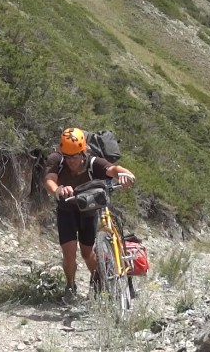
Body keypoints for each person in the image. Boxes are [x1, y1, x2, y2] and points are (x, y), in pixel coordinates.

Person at [44, 127, 135, 303]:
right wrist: (58, 190)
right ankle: (70, 285)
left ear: (83, 151)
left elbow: (113, 169)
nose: (71, 161)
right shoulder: (56, 159)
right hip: (67, 210)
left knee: (87, 253)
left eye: (75, 156)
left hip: (88, 211)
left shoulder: (93, 162)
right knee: (69, 255)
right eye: (68, 156)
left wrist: (125, 175)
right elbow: (49, 180)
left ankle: (98, 281)